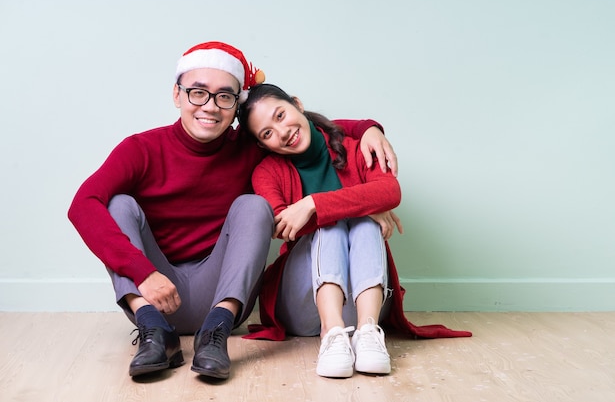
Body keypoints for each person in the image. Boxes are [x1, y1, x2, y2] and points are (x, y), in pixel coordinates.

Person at [67, 41, 400, 380]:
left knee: (253, 206)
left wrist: (367, 127)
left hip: (221, 293)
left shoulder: (250, 145)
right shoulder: (140, 149)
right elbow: (82, 205)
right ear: (177, 95)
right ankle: (154, 333)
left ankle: (216, 334)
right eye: (198, 92)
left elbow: (302, 129)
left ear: (235, 105)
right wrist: (142, 272)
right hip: (154, 293)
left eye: (224, 96)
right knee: (117, 204)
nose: (209, 106)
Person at [238, 84, 472, 378]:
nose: (282, 131)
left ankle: (368, 335)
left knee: (359, 224)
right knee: (333, 227)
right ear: (262, 145)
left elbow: (390, 191)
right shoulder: (267, 172)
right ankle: (331, 333)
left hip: (364, 302)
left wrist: (313, 203)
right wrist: (362, 204)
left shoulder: (355, 147)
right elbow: (285, 226)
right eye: (267, 133)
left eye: (281, 115)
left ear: (297, 104)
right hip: (301, 304)